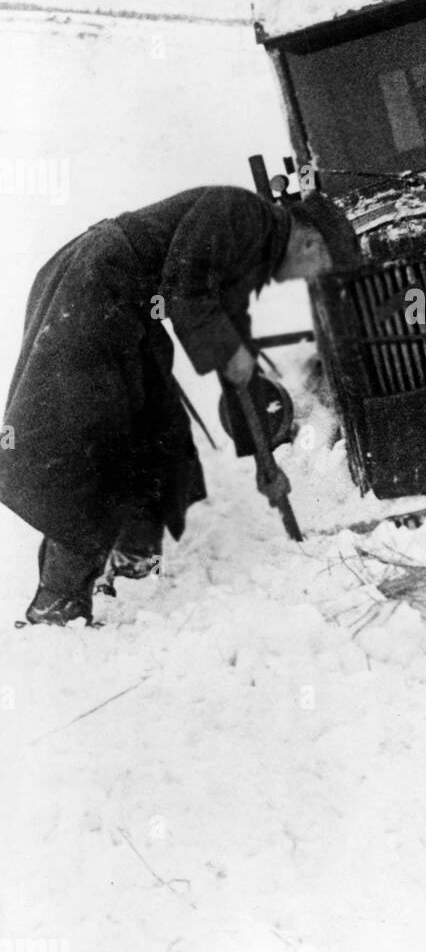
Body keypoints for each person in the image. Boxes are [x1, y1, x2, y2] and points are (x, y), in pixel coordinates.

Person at [0, 185, 359, 626]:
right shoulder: (240, 213)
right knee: (92, 439)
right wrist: (230, 352)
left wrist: (263, 456)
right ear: (308, 242)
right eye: (317, 266)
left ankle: (134, 557)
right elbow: (187, 287)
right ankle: (57, 602)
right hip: (95, 284)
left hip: (124, 301)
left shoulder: (252, 247)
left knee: (159, 428)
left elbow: (232, 349)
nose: (306, 276)